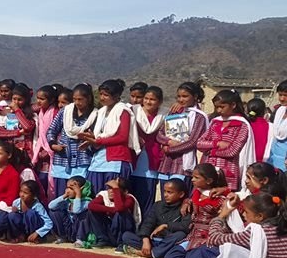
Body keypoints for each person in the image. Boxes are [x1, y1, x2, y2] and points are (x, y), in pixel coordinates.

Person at [78, 79, 139, 195]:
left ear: (116, 96)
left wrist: (99, 141)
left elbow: (122, 137)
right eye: (100, 94)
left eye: (106, 95)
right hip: (98, 160)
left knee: (114, 198)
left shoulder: (123, 111)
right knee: (95, 196)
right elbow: (100, 135)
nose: (102, 98)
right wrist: (91, 139)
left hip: (115, 160)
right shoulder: (101, 112)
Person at [160, 165, 227, 258]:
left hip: (207, 238)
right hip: (193, 236)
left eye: (196, 178)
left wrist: (226, 190)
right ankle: (193, 256)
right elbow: (192, 201)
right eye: (192, 177)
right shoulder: (197, 193)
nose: (192, 180)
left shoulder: (220, 198)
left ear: (209, 181)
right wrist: (186, 202)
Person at [197, 89, 254, 191]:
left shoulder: (241, 125)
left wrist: (210, 150)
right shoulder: (215, 122)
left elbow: (232, 151)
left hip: (228, 172)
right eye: (216, 107)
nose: (219, 110)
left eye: (222, 107)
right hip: (209, 172)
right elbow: (200, 143)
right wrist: (217, 143)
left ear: (233, 105)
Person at [156, 82, 208, 191]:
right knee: (166, 198)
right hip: (166, 163)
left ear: (195, 97)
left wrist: (170, 149)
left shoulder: (199, 117)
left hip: (182, 166)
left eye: (185, 96)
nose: (181, 100)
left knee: (178, 198)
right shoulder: (174, 112)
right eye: (179, 96)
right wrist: (169, 142)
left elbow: (192, 142)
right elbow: (160, 134)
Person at [121, 178, 189, 258]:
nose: (165, 195)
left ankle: (153, 253)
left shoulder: (185, 208)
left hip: (169, 241)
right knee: (126, 236)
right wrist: (145, 240)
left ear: (181, 194)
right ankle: (156, 251)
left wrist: (166, 226)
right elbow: (148, 223)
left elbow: (185, 226)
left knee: (180, 235)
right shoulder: (158, 205)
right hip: (153, 241)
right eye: (164, 191)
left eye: (170, 192)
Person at [130, 85, 164, 215]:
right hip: (135, 158)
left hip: (152, 158)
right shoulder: (133, 111)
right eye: (146, 98)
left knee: (147, 196)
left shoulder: (164, 115)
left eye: (153, 99)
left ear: (160, 102)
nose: (148, 102)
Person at [82, 177, 139, 250]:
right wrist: (112, 210)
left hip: (124, 233)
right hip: (110, 231)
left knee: (121, 213)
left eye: (114, 188)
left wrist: (116, 190)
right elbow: (91, 205)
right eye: (109, 188)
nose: (111, 191)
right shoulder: (104, 195)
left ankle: (122, 243)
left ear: (125, 191)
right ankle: (102, 239)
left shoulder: (129, 198)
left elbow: (120, 208)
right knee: (92, 212)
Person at [31, 85, 59, 197]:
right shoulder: (41, 112)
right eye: (37, 98)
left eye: (42, 99)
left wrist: (49, 149)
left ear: (51, 100)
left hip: (51, 150)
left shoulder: (55, 113)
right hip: (41, 149)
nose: (38, 101)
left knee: (49, 181)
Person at [48, 176, 91, 244]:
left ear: (82, 189)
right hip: (69, 228)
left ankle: (80, 240)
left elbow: (76, 211)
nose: (68, 190)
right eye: (67, 187)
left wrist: (78, 195)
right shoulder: (67, 200)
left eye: (71, 188)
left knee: (84, 214)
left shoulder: (87, 202)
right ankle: (62, 237)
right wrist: (64, 196)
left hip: (78, 230)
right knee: (53, 212)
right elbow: (51, 206)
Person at [267, 80, 287, 171]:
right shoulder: (280, 111)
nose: (282, 98)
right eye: (280, 95)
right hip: (274, 158)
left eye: (285, 95)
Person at [246, 98, 271, 165]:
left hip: (246, 160)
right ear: (264, 111)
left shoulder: (245, 125)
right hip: (264, 163)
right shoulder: (270, 126)